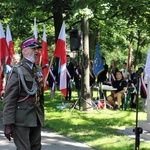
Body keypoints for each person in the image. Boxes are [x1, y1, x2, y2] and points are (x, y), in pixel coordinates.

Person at [3, 36, 44, 150]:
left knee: (36, 147)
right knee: (24, 148)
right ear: (25, 51)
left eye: (38, 49)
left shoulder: (38, 69)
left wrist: (41, 115)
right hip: (21, 117)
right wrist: (8, 123)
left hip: (36, 115)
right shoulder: (17, 70)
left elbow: (40, 95)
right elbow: (9, 98)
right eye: (33, 49)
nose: (37, 51)